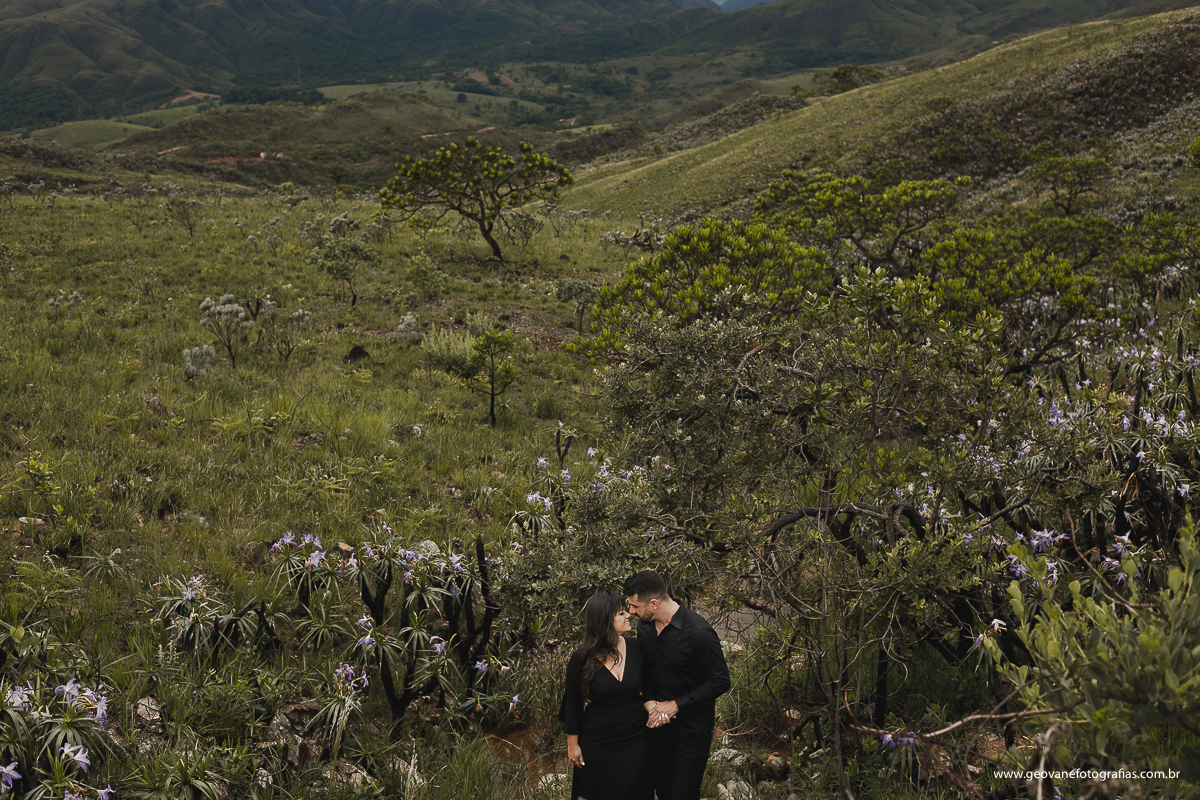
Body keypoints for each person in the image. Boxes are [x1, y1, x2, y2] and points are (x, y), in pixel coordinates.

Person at [625, 570, 731, 800]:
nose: (631, 612)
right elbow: (647, 672)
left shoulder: (700, 633)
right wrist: (649, 701)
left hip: (692, 732)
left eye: (635, 606)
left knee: (683, 795)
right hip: (656, 729)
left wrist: (676, 705)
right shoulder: (644, 628)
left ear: (654, 604)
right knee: (662, 792)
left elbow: (720, 681)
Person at [559, 590, 653, 800]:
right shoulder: (581, 658)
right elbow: (573, 704)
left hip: (636, 740)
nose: (628, 615)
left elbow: (650, 688)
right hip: (597, 744)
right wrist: (572, 746)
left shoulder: (636, 647)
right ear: (604, 620)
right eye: (621, 613)